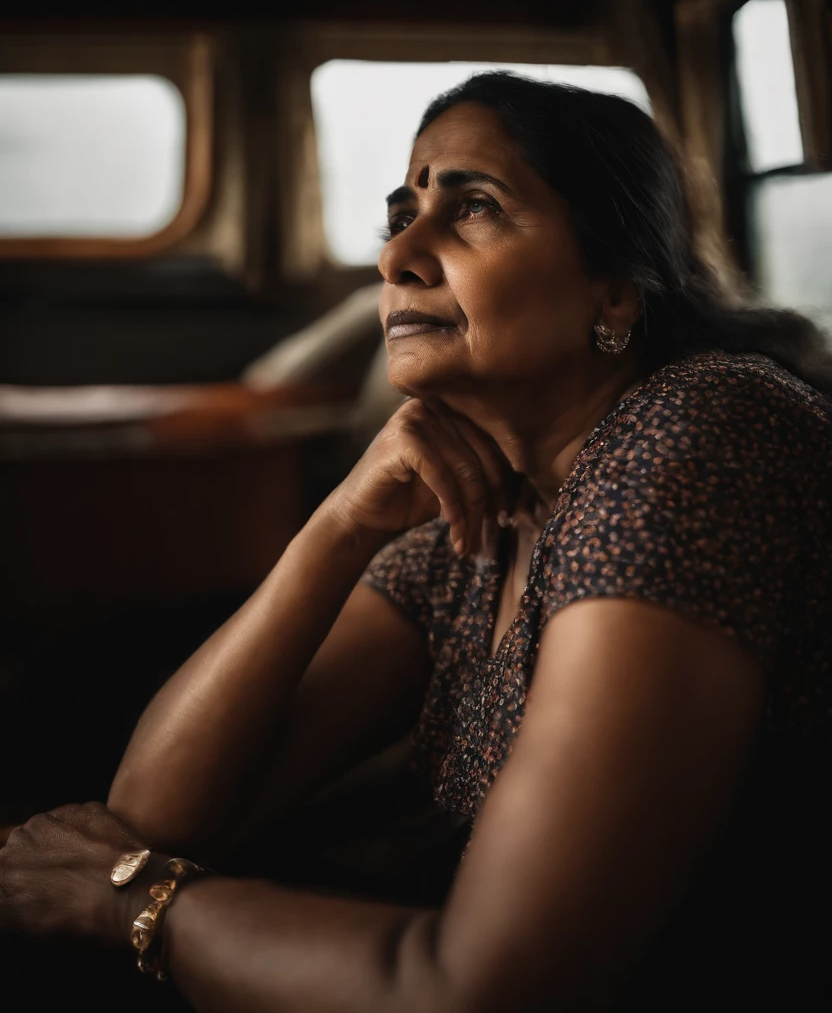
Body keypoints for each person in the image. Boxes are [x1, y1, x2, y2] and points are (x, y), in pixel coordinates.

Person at [1, 72, 830, 1013]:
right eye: (400, 216)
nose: (400, 254)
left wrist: (139, 910)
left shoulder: (694, 435)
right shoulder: (490, 512)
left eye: (473, 208)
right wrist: (337, 527)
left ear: (615, 292)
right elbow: (157, 815)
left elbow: (482, 988)